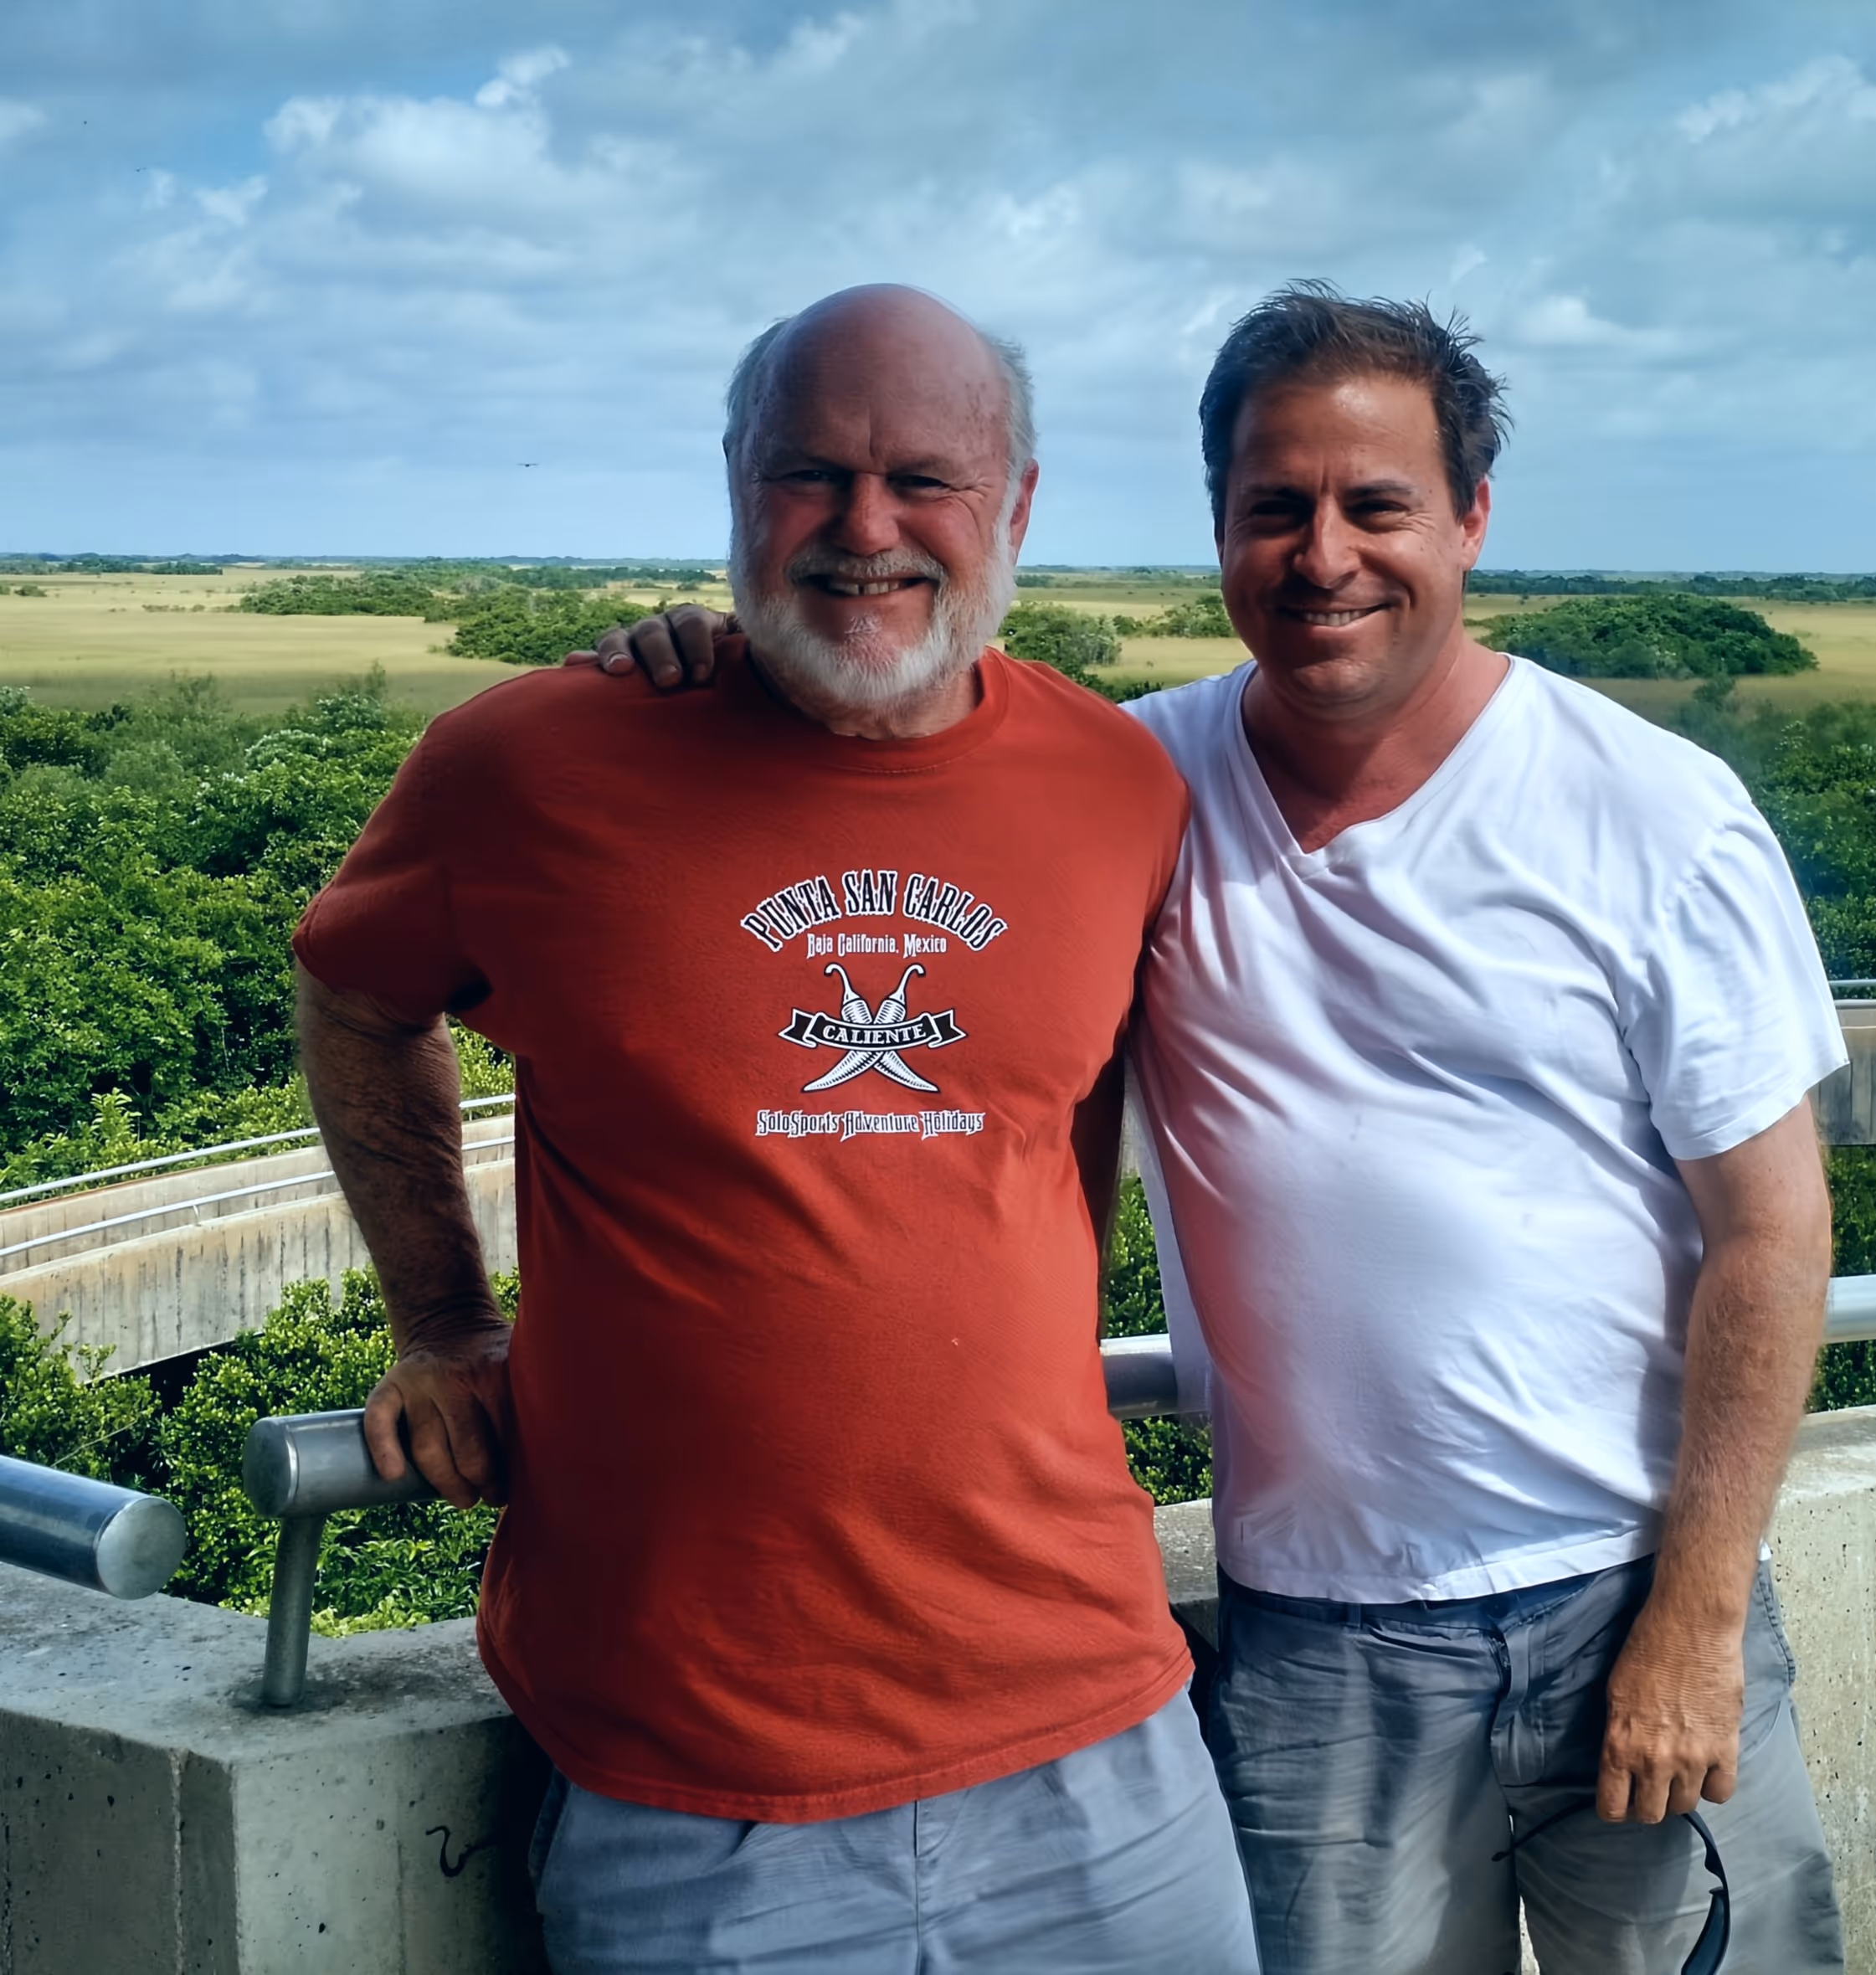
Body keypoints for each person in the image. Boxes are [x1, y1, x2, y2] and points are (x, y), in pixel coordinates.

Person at [588, 283, 1849, 1975]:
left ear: (1470, 518)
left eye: (1377, 504)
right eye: (1275, 509)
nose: (1324, 553)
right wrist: (708, 666)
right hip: (1315, 1630)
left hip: (1624, 1591)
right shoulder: (1128, 788)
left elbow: (1771, 1231)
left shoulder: (1652, 809)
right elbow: (888, 711)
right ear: (1219, 530)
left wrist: (1696, 1619)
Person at [296, 285, 1257, 1975]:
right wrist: (444, 1322)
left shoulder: (1124, 790)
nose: (864, 528)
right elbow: (360, 997)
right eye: (809, 474)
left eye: (925, 481)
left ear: (1016, 507)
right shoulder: (531, 764)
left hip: (1094, 1730)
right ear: (737, 489)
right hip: (691, 1781)